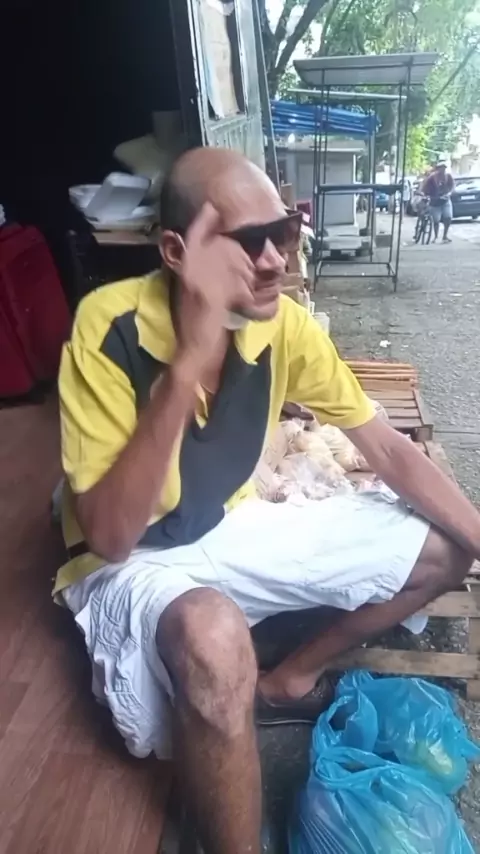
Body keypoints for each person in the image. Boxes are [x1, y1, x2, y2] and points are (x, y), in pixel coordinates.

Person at [57, 147, 479, 854]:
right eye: (250, 240)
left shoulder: (279, 324)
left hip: (228, 522)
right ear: (176, 252)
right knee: (214, 640)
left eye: (283, 232)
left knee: (447, 547)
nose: (276, 259)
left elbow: (387, 449)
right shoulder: (109, 329)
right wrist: (187, 364)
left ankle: (289, 678)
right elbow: (110, 536)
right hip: (133, 559)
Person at [422, 161, 454, 243]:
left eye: (444, 168)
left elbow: (452, 187)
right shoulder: (432, 178)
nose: (443, 170)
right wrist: (426, 195)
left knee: (448, 217)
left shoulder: (448, 176)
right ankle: (436, 236)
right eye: (441, 168)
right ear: (437, 169)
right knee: (436, 220)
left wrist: (449, 193)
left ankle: (445, 236)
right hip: (435, 202)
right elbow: (425, 187)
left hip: (445, 200)